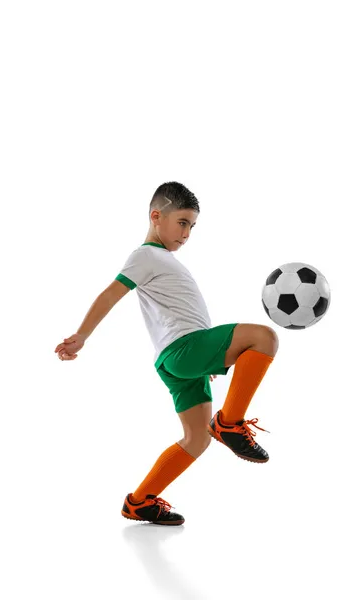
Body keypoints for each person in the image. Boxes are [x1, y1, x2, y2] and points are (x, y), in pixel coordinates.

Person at [54, 181, 279, 526]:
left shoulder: (161, 261)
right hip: (184, 349)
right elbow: (110, 295)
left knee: (197, 438)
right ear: (156, 216)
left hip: (177, 360)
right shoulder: (146, 255)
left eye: (192, 226)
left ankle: (140, 501)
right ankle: (230, 423)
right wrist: (82, 335)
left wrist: (209, 360)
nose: (187, 233)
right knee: (264, 337)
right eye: (182, 222)